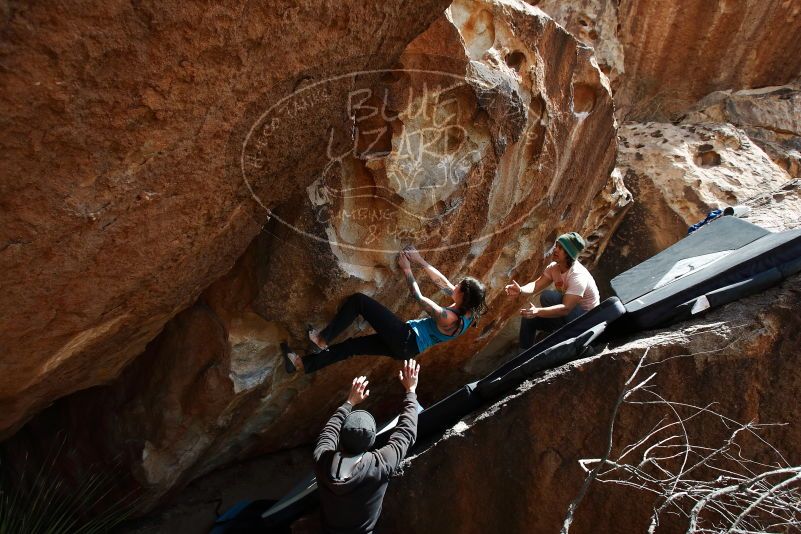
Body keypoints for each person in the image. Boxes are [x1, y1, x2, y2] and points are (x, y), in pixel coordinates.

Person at [282, 246, 487, 374]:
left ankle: (323, 339)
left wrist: (407, 269)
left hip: (405, 338)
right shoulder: (469, 312)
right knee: (352, 347)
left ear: (463, 296)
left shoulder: (448, 318)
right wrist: (419, 259)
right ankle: (302, 364)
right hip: (407, 349)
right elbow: (443, 283)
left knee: (359, 302)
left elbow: (419, 297)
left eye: (458, 287)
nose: (455, 286)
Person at [314, 359, 420, 534]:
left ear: (341, 437)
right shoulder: (379, 465)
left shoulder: (321, 459)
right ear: (372, 442)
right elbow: (406, 432)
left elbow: (329, 431)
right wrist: (411, 390)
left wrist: (350, 402)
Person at [504, 232, 600, 349]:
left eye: (561, 248)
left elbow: (566, 308)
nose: (555, 250)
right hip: (568, 318)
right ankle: (523, 354)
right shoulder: (554, 268)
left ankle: (568, 338)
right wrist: (520, 290)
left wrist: (538, 311)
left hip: (586, 322)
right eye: (556, 246)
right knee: (529, 318)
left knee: (548, 297)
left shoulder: (577, 276)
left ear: (569, 253)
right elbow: (536, 285)